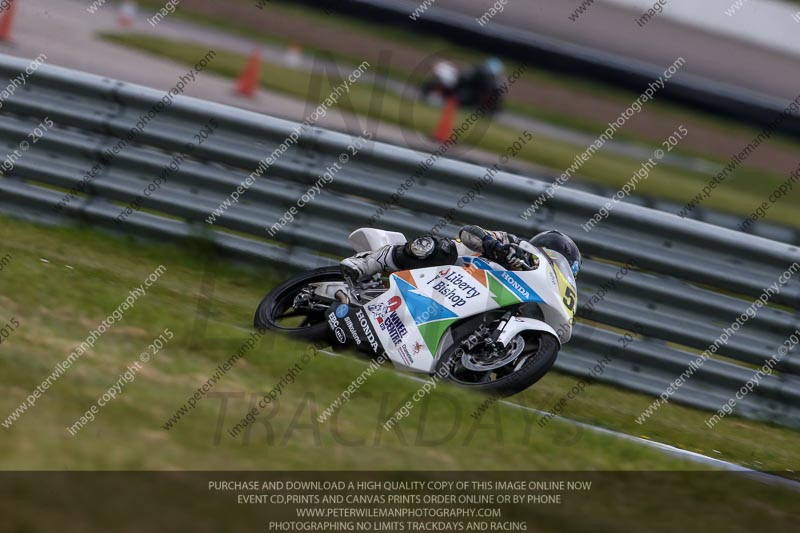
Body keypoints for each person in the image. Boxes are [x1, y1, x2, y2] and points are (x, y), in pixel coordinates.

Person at [341, 225, 581, 282]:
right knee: (443, 248)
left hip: (471, 299)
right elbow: (468, 233)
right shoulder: (512, 243)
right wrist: (494, 246)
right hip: (452, 273)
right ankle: (369, 261)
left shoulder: (544, 287)